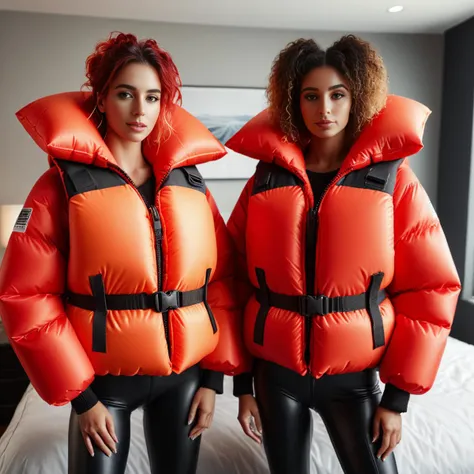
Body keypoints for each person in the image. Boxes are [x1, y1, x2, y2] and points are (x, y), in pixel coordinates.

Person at [0, 32, 249, 474]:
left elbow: (221, 282)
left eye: (152, 97)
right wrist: (81, 398)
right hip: (103, 383)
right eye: (125, 94)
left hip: (184, 378)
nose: (140, 111)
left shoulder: (190, 186)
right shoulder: (59, 187)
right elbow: (27, 295)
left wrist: (212, 380)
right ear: (101, 98)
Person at [225, 35, 461, 474]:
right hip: (275, 377)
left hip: (355, 379)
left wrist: (397, 399)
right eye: (311, 97)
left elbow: (432, 287)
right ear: (295, 103)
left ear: (359, 99)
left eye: (338, 95)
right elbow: (233, 280)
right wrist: (242, 384)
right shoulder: (264, 183)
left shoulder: (394, 182)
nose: (324, 110)